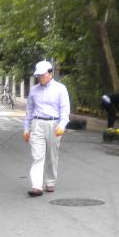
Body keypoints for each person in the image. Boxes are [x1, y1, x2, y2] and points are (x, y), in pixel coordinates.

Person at [23, 60, 70, 196]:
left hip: (54, 124)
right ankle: (36, 186)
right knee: (37, 156)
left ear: (50, 73)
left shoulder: (60, 89)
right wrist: (26, 128)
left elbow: (65, 110)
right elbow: (29, 110)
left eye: (43, 75)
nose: (40, 78)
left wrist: (62, 125)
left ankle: (50, 182)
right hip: (37, 124)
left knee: (52, 155)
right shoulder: (33, 90)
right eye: (38, 75)